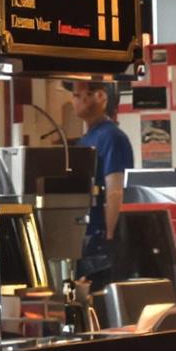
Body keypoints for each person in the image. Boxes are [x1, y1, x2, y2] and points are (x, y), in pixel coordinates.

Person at [66, 79, 133, 288]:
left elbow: (115, 191)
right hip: (86, 237)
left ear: (100, 96)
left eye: (78, 95)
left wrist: (109, 237)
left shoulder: (112, 137)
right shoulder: (86, 139)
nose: (74, 100)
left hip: (100, 242)